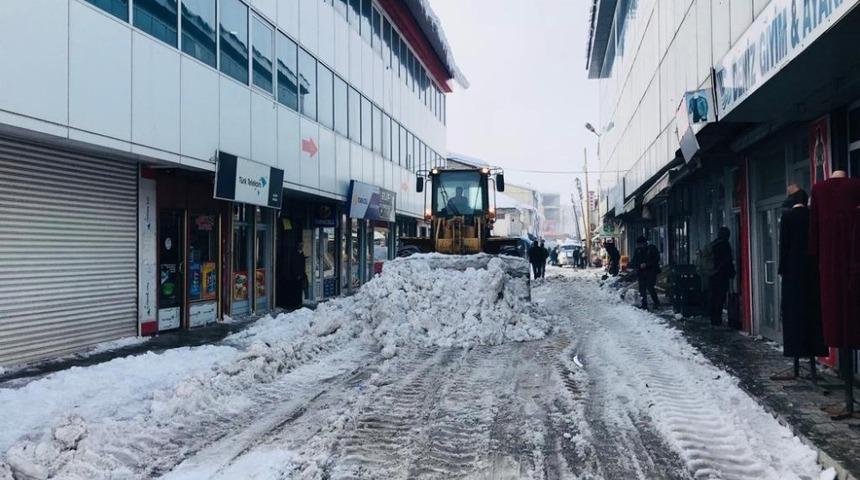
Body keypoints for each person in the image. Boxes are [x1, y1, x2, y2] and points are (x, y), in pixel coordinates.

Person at [773, 186, 827, 380]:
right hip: (812, 271)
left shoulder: (788, 217)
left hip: (793, 271)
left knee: (793, 313)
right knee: (812, 312)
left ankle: (796, 356)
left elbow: (784, 245)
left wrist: (782, 269)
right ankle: (813, 356)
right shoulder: (813, 216)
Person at [708, 227, 735, 326]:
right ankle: (717, 319)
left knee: (713, 296)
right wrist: (732, 272)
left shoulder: (714, 244)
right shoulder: (725, 245)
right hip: (721, 275)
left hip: (712, 274)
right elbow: (727, 261)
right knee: (720, 297)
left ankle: (713, 318)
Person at [631, 235, 661, 310]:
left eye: (640, 244)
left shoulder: (652, 248)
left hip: (651, 272)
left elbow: (656, 259)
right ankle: (644, 305)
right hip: (641, 272)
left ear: (644, 243)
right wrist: (639, 265)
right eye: (638, 244)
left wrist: (646, 264)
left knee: (650, 287)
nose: (639, 245)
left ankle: (656, 302)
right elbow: (634, 261)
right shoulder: (637, 250)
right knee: (642, 289)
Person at [286, 241, 308, 310]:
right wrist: (297, 275)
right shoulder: (294, 254)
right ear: (297, 246)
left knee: (299, 290)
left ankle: (299, 303)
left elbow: (302, 265)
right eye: (300, 245)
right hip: (295, 276)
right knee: (295, 290)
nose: (301, 246)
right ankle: (295, 304)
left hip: (301, 275)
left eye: (302, 245)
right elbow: (293, 265)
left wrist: (302, 274)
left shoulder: (301, 254)